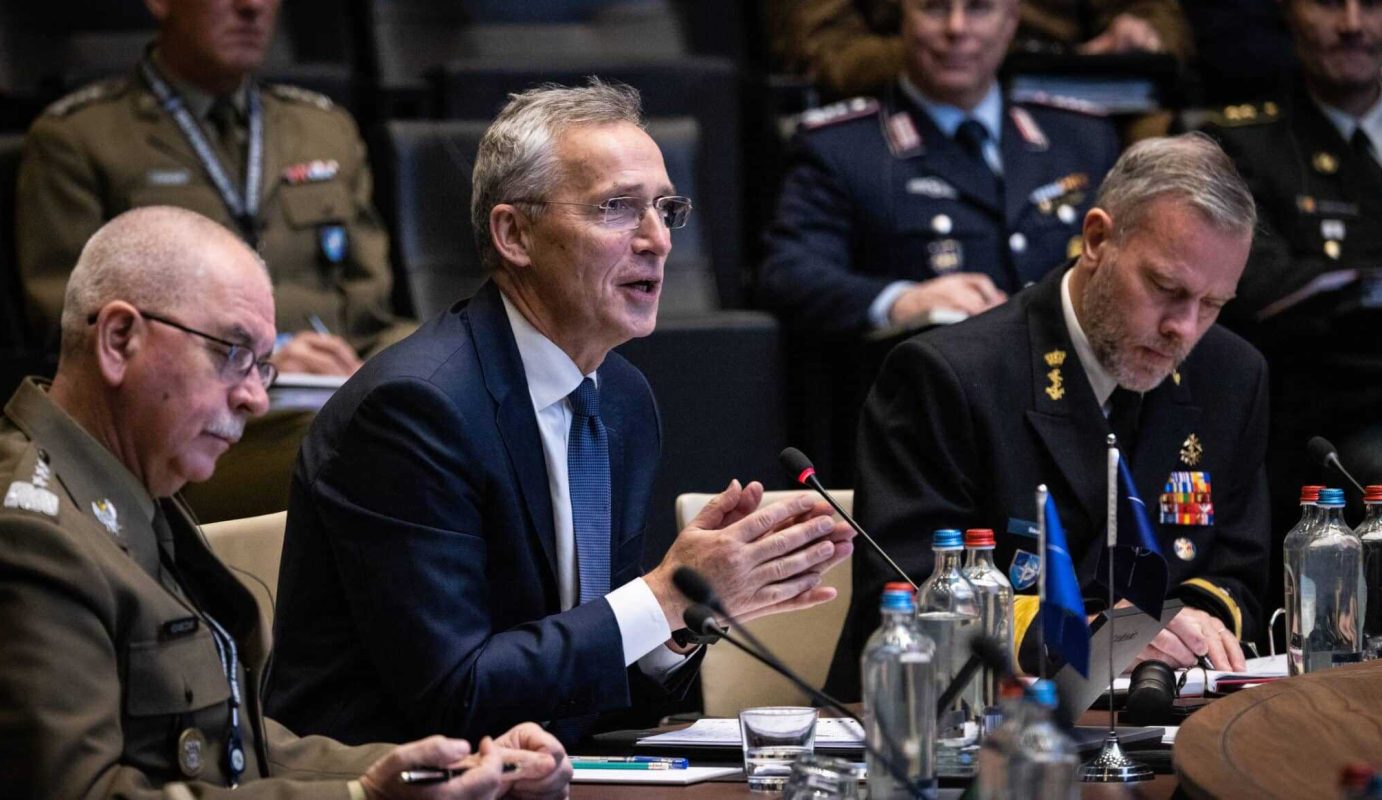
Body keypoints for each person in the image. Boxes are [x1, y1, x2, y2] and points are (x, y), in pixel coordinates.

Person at [266, 81, 857, 747]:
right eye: (617, 209)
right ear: (514, 233)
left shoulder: (622, 400)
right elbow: (454, 694)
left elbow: (588, 682)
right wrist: (659, 596)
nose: (658, 240)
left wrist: (683, 620)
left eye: (666, 209)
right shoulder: (414, 410)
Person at [0, 206, 572, 799]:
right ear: (120, 340)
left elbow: (237, 746)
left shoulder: (126, 496)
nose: (253, 398)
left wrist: (449, 765)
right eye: (231, 352)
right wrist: (358, 799)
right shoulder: (32, 534)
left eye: (262, 365)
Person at [827, 133, 1268, 698]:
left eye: (1212, 305)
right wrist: (1095, 638)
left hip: (1163, 707)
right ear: (1096, 239)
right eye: (1165, 287)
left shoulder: (1231, 376)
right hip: (969, 719)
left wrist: (1195, 626)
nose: (1183, 327)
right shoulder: (949, 377)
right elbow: (910, 588)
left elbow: (1239, 570)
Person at [16, 0, 417, 520]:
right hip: (199, 423)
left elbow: (371, 314)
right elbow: (72, 331)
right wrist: (257, 359)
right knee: (369, 449)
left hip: (334, 397)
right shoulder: (81, 138)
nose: (252, 8)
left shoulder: (324, 129)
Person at [760, 0, 1119, 335]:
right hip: (929, 385)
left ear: (1010, 22)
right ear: (903, 17)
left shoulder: (1082, 136)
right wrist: (899, 300)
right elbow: (788, 273)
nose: (956, 27)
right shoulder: (840, 147)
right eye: (935, 6)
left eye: (978, 7)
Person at [1203, 0, 1382, 526]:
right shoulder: (1245, 143)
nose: (1353, 25)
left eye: (1374, 4)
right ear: (1289, 13)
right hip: (1330, 414)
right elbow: (1256, 289)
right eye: (1330, 3)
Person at [769, 0, 1189, 101]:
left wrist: (1143, 31)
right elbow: (825, 49)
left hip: (1085, 87)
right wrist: (978, 54)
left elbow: (1161, 17)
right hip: (910, 92)